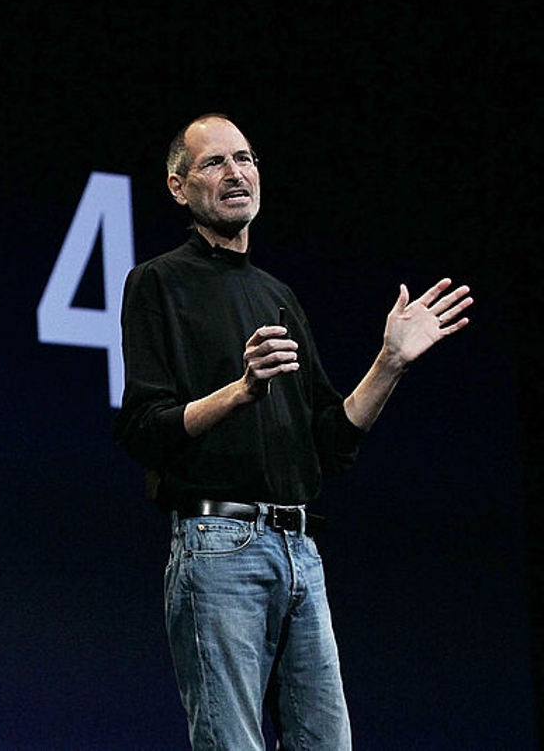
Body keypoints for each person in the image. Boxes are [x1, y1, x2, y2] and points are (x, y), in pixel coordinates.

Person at [114, 113, 473, 750]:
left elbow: (330, 441)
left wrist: (390, 362)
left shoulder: (276, 293)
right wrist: (242, 390)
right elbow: (144, 429)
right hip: (218, 546)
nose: (235, 173)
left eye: (245, 159)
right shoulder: (157, 283)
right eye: (214, 163)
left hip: (300, 548)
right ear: (178, 187)